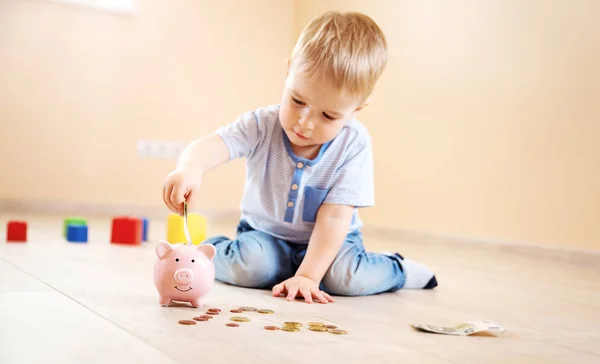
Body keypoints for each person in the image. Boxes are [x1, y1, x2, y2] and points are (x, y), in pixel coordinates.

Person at [162, 11, 437, 304]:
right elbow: (213, 145)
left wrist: (308, 276)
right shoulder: (261, 124)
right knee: (250, 267)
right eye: (297, 100)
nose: (305, 122)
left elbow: (334, 217)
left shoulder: (354, 144)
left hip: (334, 242)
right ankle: (202, 252)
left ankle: (399, 270)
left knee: (344, 278)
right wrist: (191, 167)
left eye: (328, 115)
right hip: (265, 236)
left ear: (356, 109)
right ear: (289, 70)